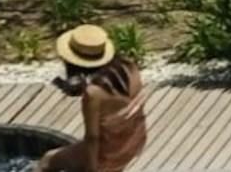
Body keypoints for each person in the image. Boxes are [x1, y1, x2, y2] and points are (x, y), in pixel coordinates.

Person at [34, 25, 148, 172]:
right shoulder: (128, 67)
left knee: (46, 161)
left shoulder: (93, 94)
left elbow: (92, 138)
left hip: (111, 152)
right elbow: (117, 102)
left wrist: (91, 169)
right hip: (134, 141)